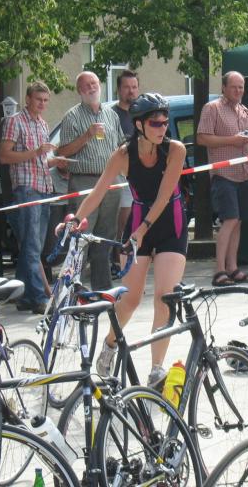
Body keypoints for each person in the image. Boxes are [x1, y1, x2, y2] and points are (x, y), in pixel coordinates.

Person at [64, 93, 187, 388]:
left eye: (165, 122)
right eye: (156, 123)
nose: (163, 128)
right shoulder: (122, 154)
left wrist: (143, 228)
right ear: (139, 125)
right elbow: (98, 191)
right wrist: (76, 219)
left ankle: (156, 369)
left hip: (170, 224)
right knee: (130, 299)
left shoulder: (175, 149)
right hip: (138, 225)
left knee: (164, 298)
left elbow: (164, 196)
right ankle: (109, 344)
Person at [0, 81, 65, 314]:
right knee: (31, 245)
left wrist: (54, 162)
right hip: (27, 188)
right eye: (38, 99)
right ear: (28, 99)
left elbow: (39, 160)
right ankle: (37, 296)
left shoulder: (42, 124)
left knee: (33, 246)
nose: (42, 104)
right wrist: (37, 152)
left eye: (46, 100)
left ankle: (25, 295)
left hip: (43, 186)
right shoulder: (14, 121)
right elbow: (4, 156)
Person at [57, 71, 126, 291]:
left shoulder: (111, 115)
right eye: (86, 85)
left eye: (94, 83)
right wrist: (87, 135)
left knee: (105, 238)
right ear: (79, 90)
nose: (92, 87)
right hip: (84, 182)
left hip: (111, 182)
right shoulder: (72, 116)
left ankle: (102, 290)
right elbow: (62, 153)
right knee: (81, 238)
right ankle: (72, 288)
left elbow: (121, 146)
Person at [197, 71, 248, 286]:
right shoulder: (212, 108)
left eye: (241, 87)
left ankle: (232, 267)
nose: (238, 91)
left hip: (245, 173)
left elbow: (246, 140)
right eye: (234, 87)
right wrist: (232, 140)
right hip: (224, 174)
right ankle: (219, 271)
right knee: (229, 219)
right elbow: (202, 138)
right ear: (223, 87)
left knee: (237, 222)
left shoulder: (245, 111)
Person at [112, 70, 139, 270]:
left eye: (134, 87)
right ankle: (117, 258)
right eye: (126, 87)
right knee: (123, 218)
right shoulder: (112, 114)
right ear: (118, 89)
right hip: (120, 175)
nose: (131, 91)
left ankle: (135, 255)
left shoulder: (142, 113)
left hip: (140, 173)